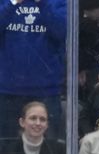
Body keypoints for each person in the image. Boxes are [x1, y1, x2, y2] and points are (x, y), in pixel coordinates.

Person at [0, 0, 66, 139]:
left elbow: (63, 31)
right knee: (6, 151)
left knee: (48, 151)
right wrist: (13, 3)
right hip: (8, 91)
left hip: (46, 91)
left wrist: (42, 3)